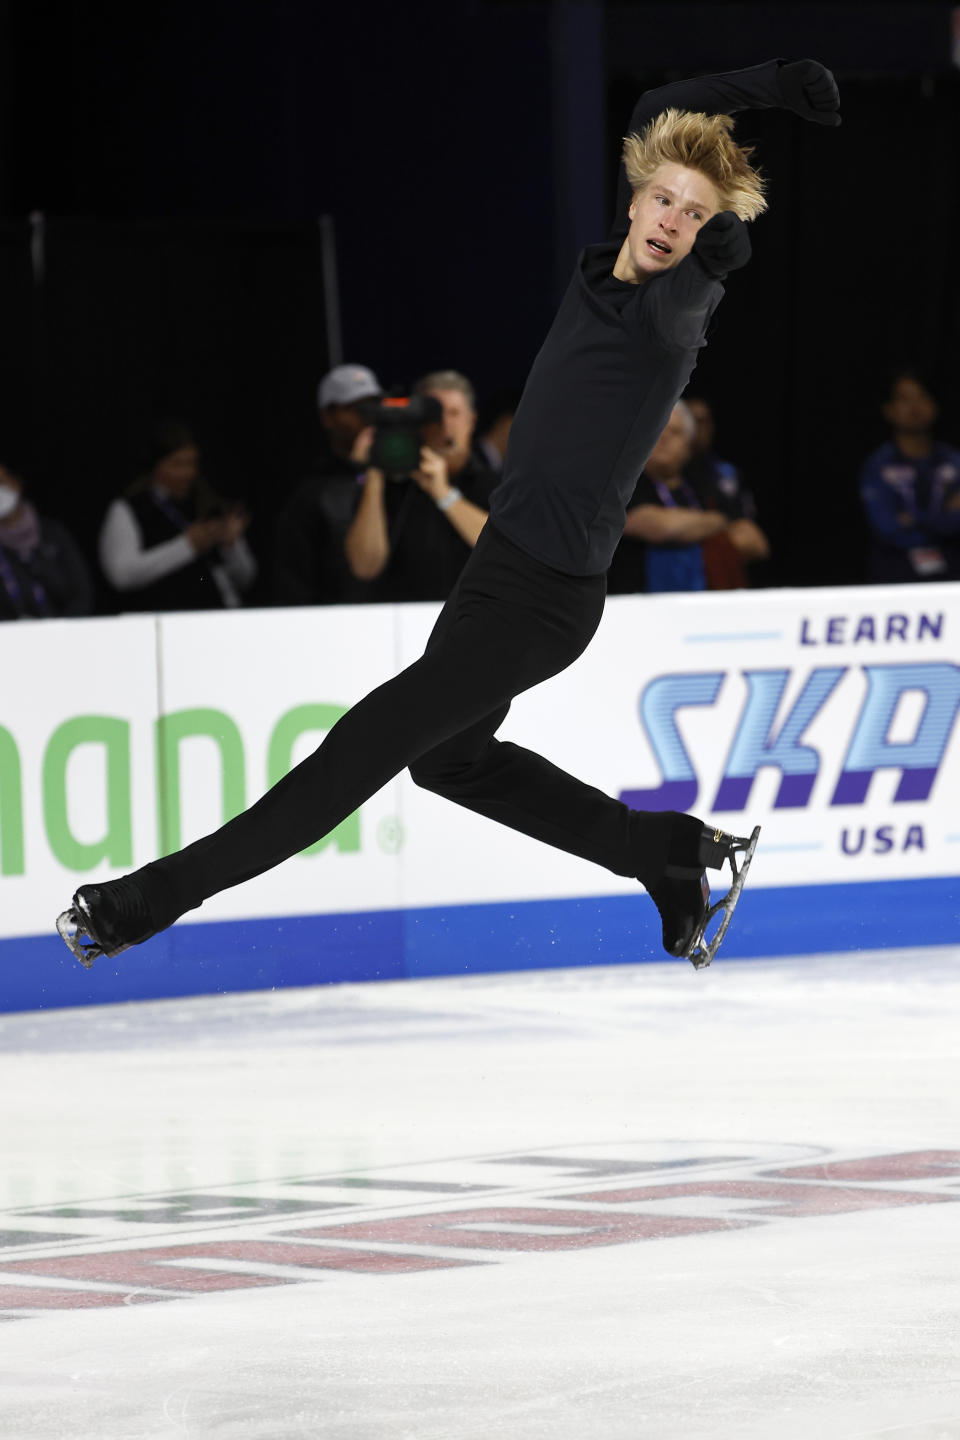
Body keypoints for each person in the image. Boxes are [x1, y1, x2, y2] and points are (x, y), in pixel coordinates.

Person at [57, 58, 840, 974]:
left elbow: (712, 266)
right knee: (450, 761)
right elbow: (657, 109)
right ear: (633, 199)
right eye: (663, 199)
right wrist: (773, 85)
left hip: (544, 601)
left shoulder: (669, 313)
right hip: (497, 571)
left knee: (360, 752)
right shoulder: (609, 268)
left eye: (693, 213)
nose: (672, 220)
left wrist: (723, 239)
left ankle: (147, 900)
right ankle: (659, 851)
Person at [343, 369, 498, 601]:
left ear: (471, 420)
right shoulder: (389, 486)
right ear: (417, 422)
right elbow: (364, 567)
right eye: (434, 413)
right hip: (402, 624)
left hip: (475, 622)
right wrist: (375, 470)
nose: (445, 424)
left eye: (454, 413)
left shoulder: (495, 485)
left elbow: (502, 552)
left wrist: (444, 494)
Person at [99, 421, 257, 611]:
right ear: (156, 465)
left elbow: (245, 580)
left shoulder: (208, 505)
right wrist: (187, 545)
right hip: (162, 622)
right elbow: (121, 576)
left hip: (217, 618)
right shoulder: (130, 509)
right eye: (177, 464)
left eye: (191, 463)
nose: (187, 473)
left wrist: (231, 546)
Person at [273, 363, 382, 606]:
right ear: (328, 417)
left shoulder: (406, 476)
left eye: (374, 406)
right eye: (356, 408)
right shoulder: (311, 491)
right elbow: (294, 579)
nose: (368, 418)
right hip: (336, 622)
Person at [608, 401, 731, 594]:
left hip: (701, 600)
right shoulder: (623, 484)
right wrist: (712, 523)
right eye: (658, 429)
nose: (663, 437)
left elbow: (747, 536)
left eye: (674, 432)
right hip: (635, 602)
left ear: (689, 445)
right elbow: (660, 527)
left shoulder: (702, 482)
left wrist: (689, 526)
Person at [859, 372, 960, 583]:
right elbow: (887, 527)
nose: (914, 406)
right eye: (904, 398)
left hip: (951, 575)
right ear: (889, 409)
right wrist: (943, 514)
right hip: (895, 576)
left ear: (935, 405)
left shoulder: (954, 462)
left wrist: (912, 518)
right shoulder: (878, 466)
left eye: (922, 396)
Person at [684, 394, 770, 587]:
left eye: (706, 421)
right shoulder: (667, 475)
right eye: (694, 420)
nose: (700, 428)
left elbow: (753, 541)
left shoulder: (726, 473)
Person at [0, 461, 93, 620]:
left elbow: (82, 593)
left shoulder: (53, 534)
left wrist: (60, 631)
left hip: (65, 633)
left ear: (17, 483)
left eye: (1, 482)